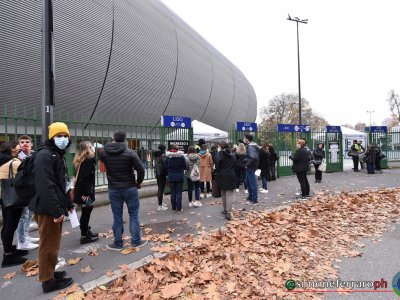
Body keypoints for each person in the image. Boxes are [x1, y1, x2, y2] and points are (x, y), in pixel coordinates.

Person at [29, 122, 74, 292]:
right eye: (58, 136)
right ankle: (48, 281)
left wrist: (68, 204)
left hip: (53, 205)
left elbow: (59, 183)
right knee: (48, 244)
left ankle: (51, 272)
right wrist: (56, 210)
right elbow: (45, 185)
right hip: (47, 208)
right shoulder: (45, 155)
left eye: (65, 136)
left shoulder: (56, 154)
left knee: (53, 243)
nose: (62, 139)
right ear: (51, 137)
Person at [99, 131, 146, 251]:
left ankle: (118, 243)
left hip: (114, 188)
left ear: (113, 139)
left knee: (117, 216)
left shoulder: (104, 153)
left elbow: (103, 162)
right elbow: (141, 169)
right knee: (134, 215)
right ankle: (136, 241)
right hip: (130, 187)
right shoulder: (130, 153)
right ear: (125, 139)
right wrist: (138, 182)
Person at [0, 142, 29, 268]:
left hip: (3, 197)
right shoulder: (14, 162)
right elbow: (26, 176)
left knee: (6, 225)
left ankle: (10, 250)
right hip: (14, 198)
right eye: (17, 146)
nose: (19, 147)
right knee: (10, 226)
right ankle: (7, 256)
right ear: (12, 149)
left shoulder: (2, 160)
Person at [72, 141, 99, 244]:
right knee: (86, 212)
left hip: (82, 191)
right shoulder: (88, 160)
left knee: (86, 211)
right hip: (85, 193)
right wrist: (87, 194)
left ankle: (87, 231)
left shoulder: (80, 160)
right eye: (91, 146)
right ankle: (84, 235)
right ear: (87, 149)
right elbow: (85, 178)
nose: (93, 148)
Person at [16, 135, 39, 251]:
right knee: (23, 216)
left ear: (31, 144)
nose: (24, 144)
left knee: (29, 213)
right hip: (23, 189)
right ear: (19, 144)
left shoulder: (34, 155)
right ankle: (21, 241)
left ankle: (25, 236)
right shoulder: (16, 157)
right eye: (22, 142)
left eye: (27, 142)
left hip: (32, 188)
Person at [215, 141, 236, 220]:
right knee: (229, 194)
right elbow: (235, 165)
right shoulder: (232, 155)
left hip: (222, 175)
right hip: (231, 174)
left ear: (221, 147)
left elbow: (217, 166)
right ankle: (228, 212)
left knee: (223, 193)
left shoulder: (219, 155)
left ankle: (225, 210)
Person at [165, 144, 186, 212]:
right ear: (178, 150)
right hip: (180, 176)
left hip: (171, 176)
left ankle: (174, 207)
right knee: (179, 192)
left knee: (173, 192)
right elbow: (185, 166)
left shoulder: (168, 157)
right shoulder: (181, 157)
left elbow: (166, 167)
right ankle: (179, 208)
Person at [244, 134, 259, 205]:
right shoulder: (253, 146)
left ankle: (254, 200)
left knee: (252, 184)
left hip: (250, 167)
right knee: (248, 182)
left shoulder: (250, 147)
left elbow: (253, 157)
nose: (244, 139)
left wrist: (247, 165)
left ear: (247, 139)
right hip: (251, 167)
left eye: (245, 138)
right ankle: (250, 197)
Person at [153, 144, 168, 211]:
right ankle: (160, 206)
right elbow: (165, 165)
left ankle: (160, 203)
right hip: (162, 174)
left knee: (159, 188)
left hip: (157, 173)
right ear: (164, 148)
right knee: (161, 189)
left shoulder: (156, 154)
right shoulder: (163, 155)